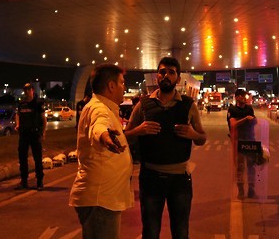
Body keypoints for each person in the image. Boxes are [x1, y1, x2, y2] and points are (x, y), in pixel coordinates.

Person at [125, 57, 207, 239]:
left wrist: (192, 134)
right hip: (150, 178)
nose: (166, 76)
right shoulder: (144, 104)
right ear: (157, 76)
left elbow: (202, 138)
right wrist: (139, 130)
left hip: (180, 180)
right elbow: (126, 136)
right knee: (150, 232)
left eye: (171, 72)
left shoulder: (188, 105)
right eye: (162, 72)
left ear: (177, 78)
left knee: (180, 232)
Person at [69, 63, 133, 239]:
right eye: (122, 83)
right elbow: (99, 126)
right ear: (111, 86)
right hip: (100, 201)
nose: (124, 87)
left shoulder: (102, 107)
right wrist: (105, 137)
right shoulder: (98, 108)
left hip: (103, 198)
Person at [15, 82, 47, 190]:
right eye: (25, 89)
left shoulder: (38, 103)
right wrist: (18, 124)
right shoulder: (22, 102)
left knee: (37, 158)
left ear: (33, 90)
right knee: (22, 158)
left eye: (29, 89)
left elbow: (43, 119)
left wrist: (43, 133)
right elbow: (18, 114)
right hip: (24, 134)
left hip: (35, 134)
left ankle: (39, 181)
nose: (27, 91)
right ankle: (24, 181)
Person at [227, 88, 258, 199]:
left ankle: (251, 189)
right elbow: (233, 124)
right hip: (238, 141)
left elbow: (255, 122)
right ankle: (240, 190)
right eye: (242, 96)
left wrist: (253, 120)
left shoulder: (249, 109)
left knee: (251, 166)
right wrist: (245, 119)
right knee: (240, 167)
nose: (244, 98)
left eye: (245, 96)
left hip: (250, 140)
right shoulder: (232, 110)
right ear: (237, 97)